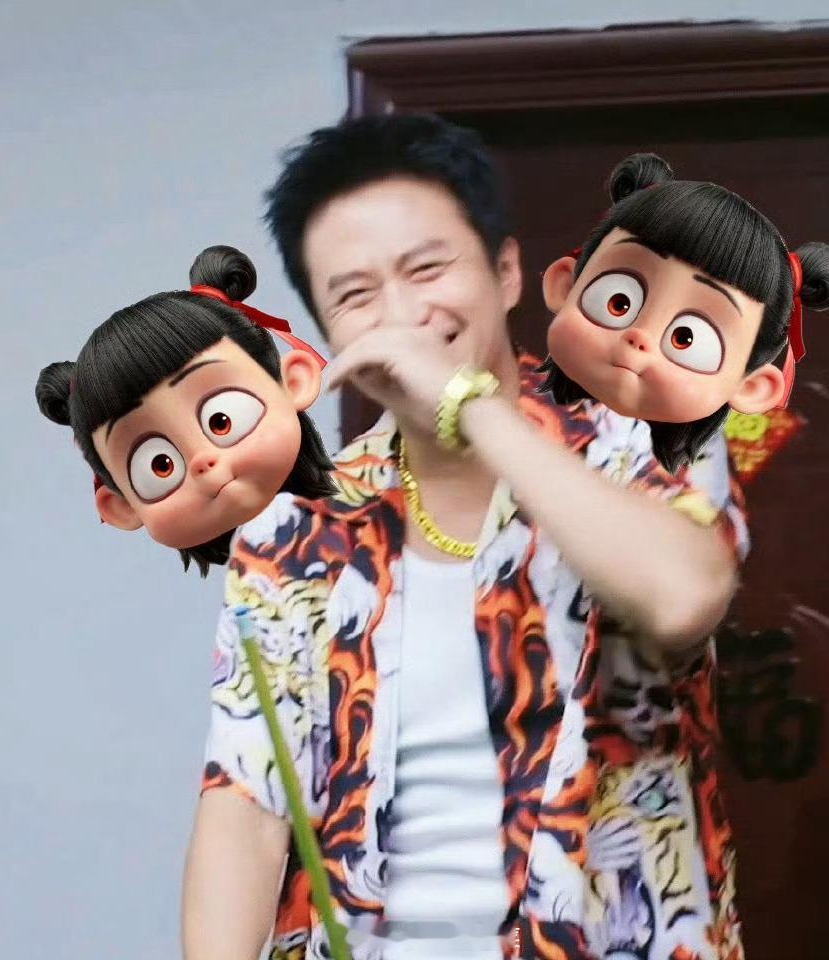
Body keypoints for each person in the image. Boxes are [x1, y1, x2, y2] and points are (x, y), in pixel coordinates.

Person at [182, 115, 749, 960]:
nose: (403, 315)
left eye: (428, 269)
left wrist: (467, 406)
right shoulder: (297, 525)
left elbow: (683, 596)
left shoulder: (645, 439)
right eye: (356, 295)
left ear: (507, 271)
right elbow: (246, 804)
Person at [538, 152, 829, 472]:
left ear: (751, 387)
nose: (640, 337)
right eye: (619, 302)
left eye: (685, 338)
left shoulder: (699, 481)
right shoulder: (512, 402)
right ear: (564, 286)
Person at [35, 245, 334, 575]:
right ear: (121, 505)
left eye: (221, 421)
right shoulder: (247, 597)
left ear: (293, 382)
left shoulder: (374, 487)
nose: (201, 461)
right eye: (160, 465)